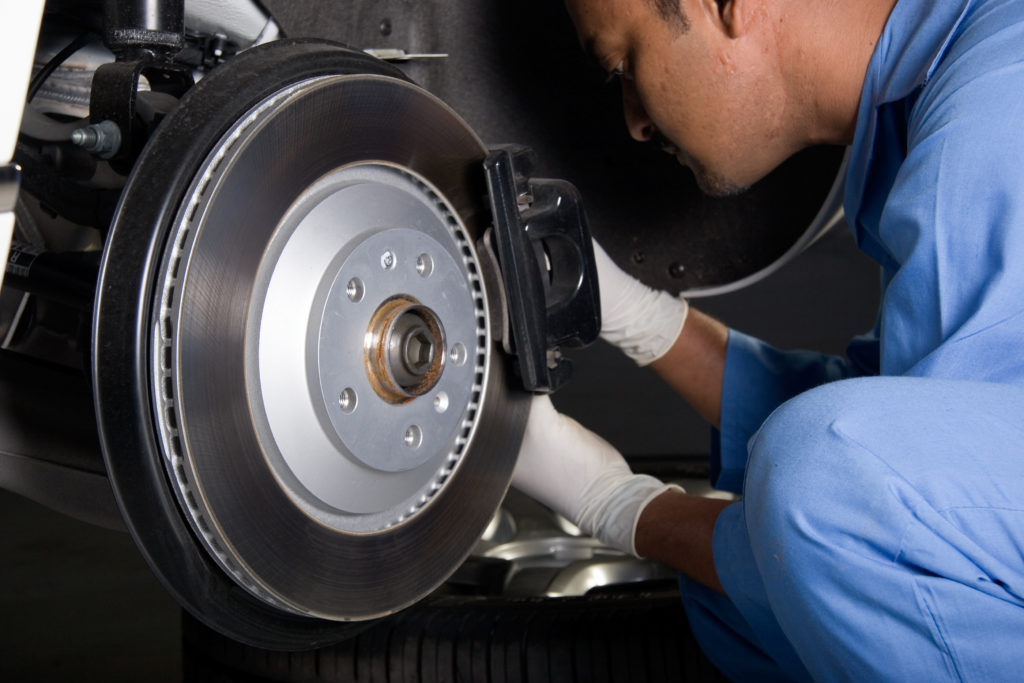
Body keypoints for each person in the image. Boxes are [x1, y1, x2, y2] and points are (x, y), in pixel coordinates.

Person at [510, 0, 1024, 679]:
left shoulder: (992, 117)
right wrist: (635, 316)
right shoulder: (935, 91)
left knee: (815, 487)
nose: (633, 119)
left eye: (624, 62)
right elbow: (923, 447)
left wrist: (625, 507)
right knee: (737, 602)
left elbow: (867, 496)